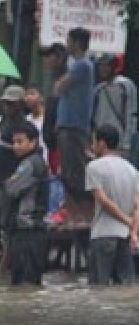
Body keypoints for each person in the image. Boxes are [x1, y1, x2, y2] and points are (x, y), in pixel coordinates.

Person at [84, 124, 139, 285]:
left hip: (103, 234)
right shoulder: (132, 170)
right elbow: (137, 205)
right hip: (125, 236)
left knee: (98, 287)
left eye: (93, 142)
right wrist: (133, 231)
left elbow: (104, 201)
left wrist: (128, 221)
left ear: (102, 143)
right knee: (125, 286)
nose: (92, 146)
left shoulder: (94, 167)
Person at [0, 86, 32, 277]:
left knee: (8, 223)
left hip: (10, 181)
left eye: (12, 104)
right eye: (5, 104)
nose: (8, 107)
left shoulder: (23, 128)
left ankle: (5, 264)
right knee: (2, 221)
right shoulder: (3, 122)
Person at [4, 121, 50, 286]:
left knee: (25, 283)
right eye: (14, 142)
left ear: (33, 142)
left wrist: (8, 180)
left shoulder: (29, 164)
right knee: (30, 283)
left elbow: (11, 188)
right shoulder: (37, 162)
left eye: (20, 141)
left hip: (27, 232)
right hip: (33, 230)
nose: (15, 146)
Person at [54, 27, 95, 208]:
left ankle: (82, 208)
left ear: (77, 43)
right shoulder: (76, 64)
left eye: (69, 40)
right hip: (67, 123)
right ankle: (73, 208)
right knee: (68, 169)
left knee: (76, 169)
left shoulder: (82, 65)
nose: (67, 44)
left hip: (75, 125)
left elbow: (59, 87)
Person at [91, 54, 135, 161]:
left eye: (107, 66)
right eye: (101, 65)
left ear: (114, 67)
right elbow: (94, 118)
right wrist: (94, 141)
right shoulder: (98, 90)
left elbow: (131, 114)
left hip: (119, 143)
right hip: (101, 143)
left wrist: (126, 144)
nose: (103, 69)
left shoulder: (126, 86)